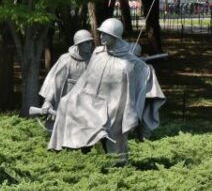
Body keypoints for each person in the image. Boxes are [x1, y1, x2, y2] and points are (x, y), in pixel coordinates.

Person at [49, 18, 165, 163]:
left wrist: (146, 69)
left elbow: (140, 76)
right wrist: (71, 96)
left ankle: (118, 164)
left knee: (113, 131)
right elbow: (85, 80)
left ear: (115, 36)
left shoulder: (128, 63)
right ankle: (79, 150)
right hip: (92, 101)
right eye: (101, 33)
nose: (101, 37)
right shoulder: (98, 53)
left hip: (116, 107)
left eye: (105, 34)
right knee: (67, 103)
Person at [37, 29, 94, 131]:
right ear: (78, 44)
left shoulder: (94, 60)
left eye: (90, 42)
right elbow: (55, 83)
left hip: (86, 105)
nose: (89, 45)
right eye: (86, 43)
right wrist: (48, 101)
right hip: (66, 105)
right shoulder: (66, 60)